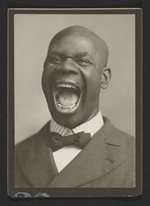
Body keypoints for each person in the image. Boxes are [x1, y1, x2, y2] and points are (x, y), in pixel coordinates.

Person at [15, 26, 135, 187]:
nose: (65, 67)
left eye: (83, 61)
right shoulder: (12, 155)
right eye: (55, 59)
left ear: (104, 78)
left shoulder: (137, 155)